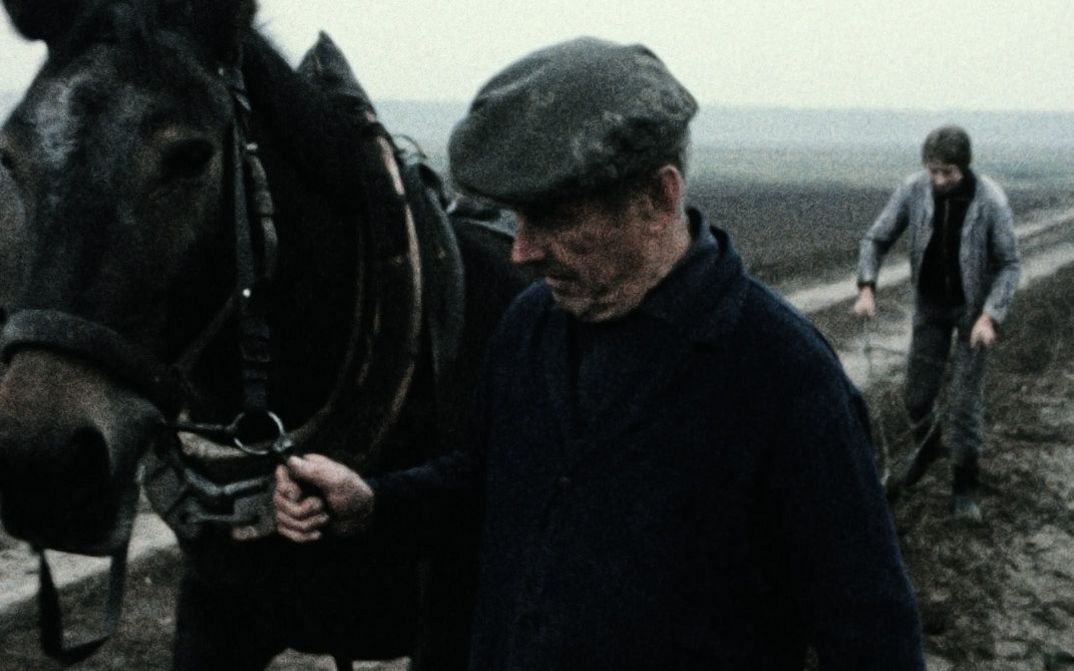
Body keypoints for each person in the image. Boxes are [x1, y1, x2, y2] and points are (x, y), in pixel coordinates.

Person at [276, 37, 925, 670]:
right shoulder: (531, 323)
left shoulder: (782, 374)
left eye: (552, 219)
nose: (521, 250)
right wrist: (374, 501)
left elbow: (870, 633)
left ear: (657, 198)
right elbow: (486, 480)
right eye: (517, 218)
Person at [853, 125, 1021, 522]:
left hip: (971, 314)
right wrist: (866, 287)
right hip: (930, 308)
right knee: (916, 396)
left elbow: (1010, 264)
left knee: (963, 405)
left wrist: (989, 316)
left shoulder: (991, 201)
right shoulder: (913, 189)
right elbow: (874, 239)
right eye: (934, 171)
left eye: (948, 172)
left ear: (964, 167)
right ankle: (926, 450)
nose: (940, 180)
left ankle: (965, 487)